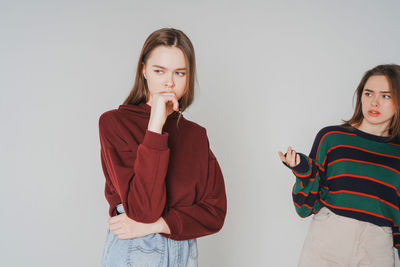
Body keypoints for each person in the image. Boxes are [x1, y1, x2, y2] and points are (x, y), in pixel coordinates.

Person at [98, 28, 227, 267]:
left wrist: (159, 224)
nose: (169, 82)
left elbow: (215, 213)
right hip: (136, 251)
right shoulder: (115, 123)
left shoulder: (196, 135)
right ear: (144, 69)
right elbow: (143, 210)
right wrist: (155, 125)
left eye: (179, 73)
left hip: (183, 250)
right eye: (160, 71)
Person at [279, 64, 400, 267]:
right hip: (327, 243)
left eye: (386, 96)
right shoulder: (332, 138)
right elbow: (305, 207)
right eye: (368, 93)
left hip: (376, 248)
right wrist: (303, 171)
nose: (375, 102)